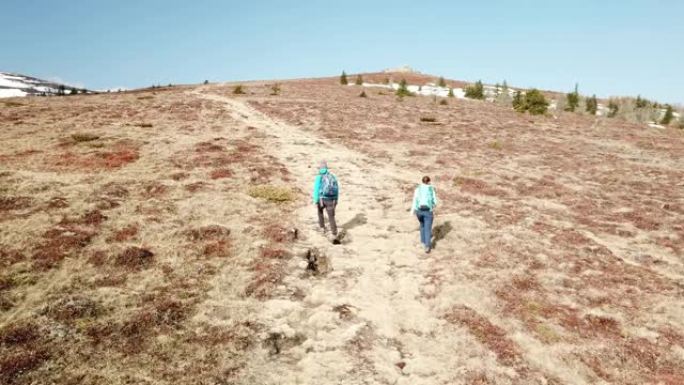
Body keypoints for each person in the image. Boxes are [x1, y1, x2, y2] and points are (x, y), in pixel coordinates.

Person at [312, 160, 339, 239]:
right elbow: (337, 189)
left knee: (320, 212)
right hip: (331, 199)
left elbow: (316, 189)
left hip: (321, 199)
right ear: (327, 168)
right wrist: (336, 199)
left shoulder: (318, 177)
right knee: (331, 216)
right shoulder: (332, 176)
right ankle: (334, 233)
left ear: (320, 168)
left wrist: (315, 200)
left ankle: (322, 227)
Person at [412, 176, 438, 253]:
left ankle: (423, 241)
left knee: (422, 224)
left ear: (422, 181)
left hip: (418, 211)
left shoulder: (418, 189)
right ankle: (427, 246)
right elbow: (435, 201)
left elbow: (415, 199)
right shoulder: (431, 189)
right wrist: (433, 206)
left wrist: (413, 210)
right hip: (427, 211)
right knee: (427, 228)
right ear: (429, 181)